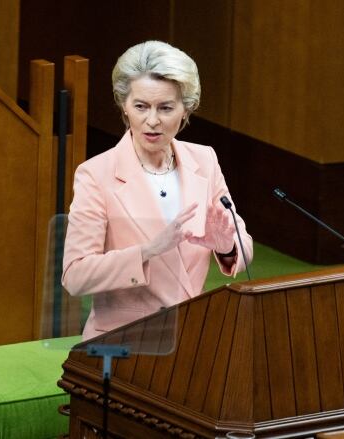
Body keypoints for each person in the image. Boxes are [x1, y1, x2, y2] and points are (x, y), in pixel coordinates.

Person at [62, 40, 253, 340]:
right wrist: (148, 251)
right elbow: (75, 276)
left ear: (186, 109)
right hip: (125, 343)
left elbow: (242, 243)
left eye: (165, 108)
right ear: (124, 106)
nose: (152, 121)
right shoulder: (96, 175)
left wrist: (226, 245)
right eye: (141, 106)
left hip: (193, 338)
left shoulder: (204, 160)